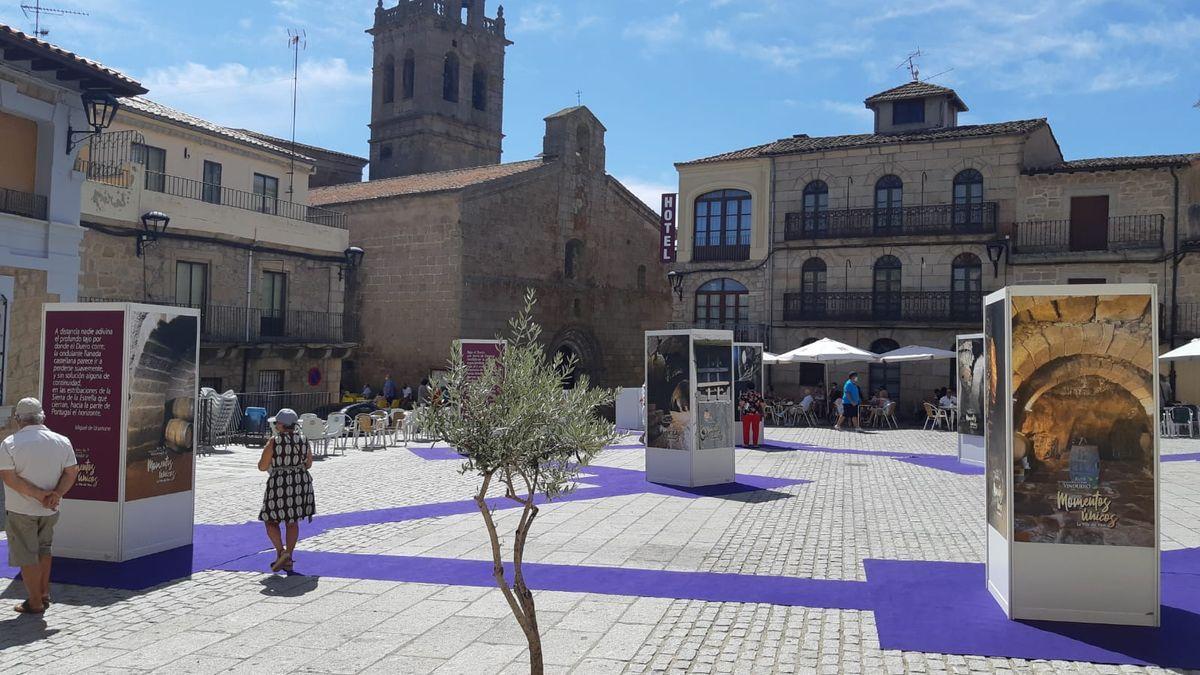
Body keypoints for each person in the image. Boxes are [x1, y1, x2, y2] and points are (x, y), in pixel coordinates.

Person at [0, 398, 80, 614]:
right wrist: (56, 495)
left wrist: (38, 495)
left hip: (21, 510)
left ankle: (35, 601)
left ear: (18, 419)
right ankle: (44, 593)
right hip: (50, 509)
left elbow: (9, 478)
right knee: (44, 550)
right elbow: (71, 471)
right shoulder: (62, 441)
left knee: (26, 556)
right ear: (42, 417)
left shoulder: (10, 443)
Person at [257, 408, 315, 574]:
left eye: (276, 423)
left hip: (279, 483)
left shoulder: (274, 442)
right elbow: (309, 464)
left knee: (270, 520)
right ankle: (288, 557)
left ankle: (282, 553)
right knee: (292, 522)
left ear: (281, 425)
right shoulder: (304, 440)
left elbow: (262, 466)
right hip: (300, 484)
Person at [738, 384, 765, 448]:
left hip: (746, 414)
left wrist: (741, 408)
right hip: (756, 414)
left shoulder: (744, 395)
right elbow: (763, 404)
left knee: (746, 429)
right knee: (756, 429)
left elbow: (741, 405)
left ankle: (746, 443)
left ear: (747, 388)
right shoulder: (758, 394)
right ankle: (755, 444)